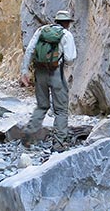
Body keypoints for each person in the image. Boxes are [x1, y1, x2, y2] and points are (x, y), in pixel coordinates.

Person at [19, 10, 77, 152]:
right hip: (56, 72)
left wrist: (24, 71)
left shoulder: (41, 30)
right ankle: (58, 143)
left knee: (42, 105)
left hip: (40, 73)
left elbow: (30, 50)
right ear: (67, 23)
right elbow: (70, 58)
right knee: (61, 110)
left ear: (56, 20)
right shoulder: (66, 34)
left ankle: (28, 135)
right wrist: (61, 62)